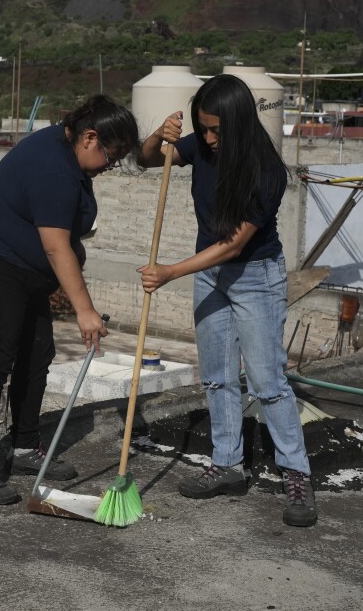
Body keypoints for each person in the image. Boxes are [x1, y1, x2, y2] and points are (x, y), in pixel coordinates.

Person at [136, 74, 317, 527]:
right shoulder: (201, 143)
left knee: (266, 382)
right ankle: (228, 464)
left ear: (238, 123)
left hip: (255, 276)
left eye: (217, 130)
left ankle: (297, 475)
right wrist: (161, 134)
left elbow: (236, 245)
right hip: (208, 273)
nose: (209, 139)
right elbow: (146, 161)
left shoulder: (266, 170)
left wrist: (172, 271)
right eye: (204, 128)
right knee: (216, 377)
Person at [0, 94, 140, 505]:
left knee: (36, 355)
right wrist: (84, 311)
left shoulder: (65, 146)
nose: (111, 165)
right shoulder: (53, 169)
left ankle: (23, 447)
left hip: (24, 271)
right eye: (111, 154)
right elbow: (55, 246)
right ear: (90, 137)